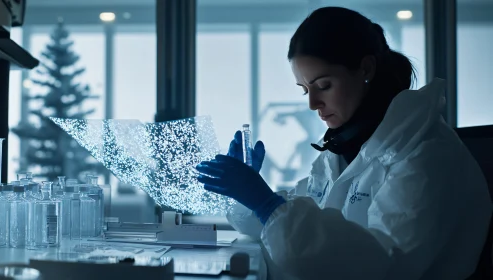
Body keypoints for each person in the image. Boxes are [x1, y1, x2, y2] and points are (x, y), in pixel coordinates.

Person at [196, 6, 492, 280]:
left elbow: (381, 266)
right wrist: (251, 199)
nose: (313, 103)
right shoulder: (346, 151)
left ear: (365, 69)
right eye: (305, 90)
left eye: (323, 85)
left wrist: (266, 204)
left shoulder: (427, 156)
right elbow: (295, 223)